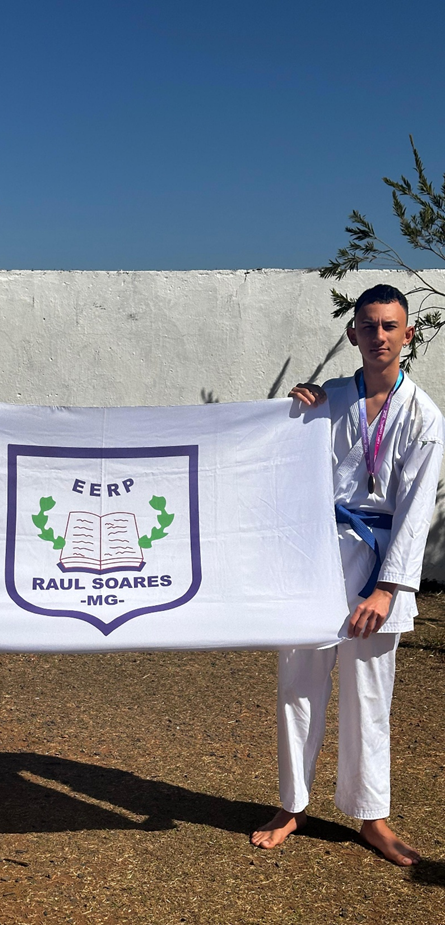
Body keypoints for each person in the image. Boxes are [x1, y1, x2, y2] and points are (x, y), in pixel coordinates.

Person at [250, 284, 444, 866]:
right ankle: (293, 805)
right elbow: (284, 461)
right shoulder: (327, 399)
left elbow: (415, 511)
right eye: (368, 325)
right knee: (297, 684)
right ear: (352, 332)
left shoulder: (425, 416)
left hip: (380, 563)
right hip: (316, 556)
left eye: (390, 325)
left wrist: (387, 589)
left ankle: (372, 817)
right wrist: (294, 409)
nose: (378, 335)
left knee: (369, 696)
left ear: (408, 334)